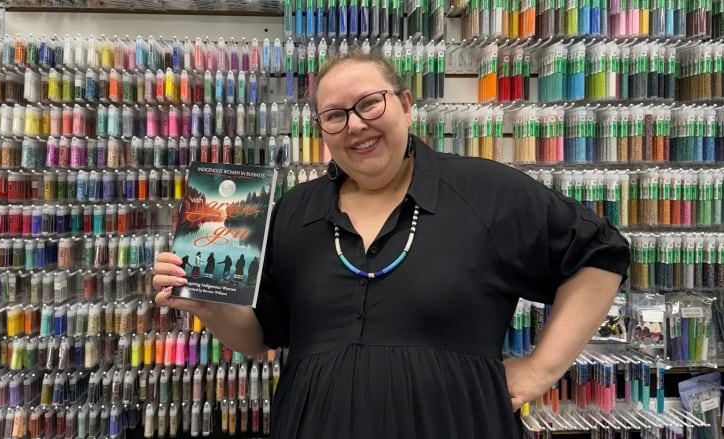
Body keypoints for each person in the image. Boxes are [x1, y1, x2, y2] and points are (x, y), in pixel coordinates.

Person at [153, 47, 629, 438]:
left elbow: (600, 254)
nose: (355, 125)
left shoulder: (487, 192)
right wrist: (206, 305)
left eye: (369, 104)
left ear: (405, 104)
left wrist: (542, 368)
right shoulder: (295, 211)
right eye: (334, 116)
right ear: (322, 131)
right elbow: (259, 337)